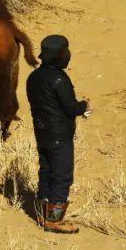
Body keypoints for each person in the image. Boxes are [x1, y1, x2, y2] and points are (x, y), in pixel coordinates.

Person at [26, 35, 90, 234]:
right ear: (58, 56)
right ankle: (54, 220)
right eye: (64, 52)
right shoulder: (59, 78)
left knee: (46, 171)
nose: (68, 56)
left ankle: (42, 212)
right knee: (62, 176)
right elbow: (70, 108)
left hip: (42, 133)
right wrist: (84, 106)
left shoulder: (33, 77)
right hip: (59, 135)